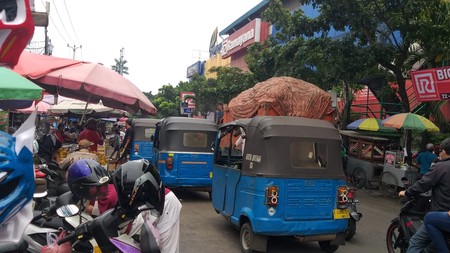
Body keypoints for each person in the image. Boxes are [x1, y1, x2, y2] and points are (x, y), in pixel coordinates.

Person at [398, 138, 450, 253]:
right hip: (428, 181)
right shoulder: (435, 160)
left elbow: (423, 184)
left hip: (440, 212)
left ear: (444, 151)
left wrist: (407, 192)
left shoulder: (441, 166)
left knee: (415, 242)